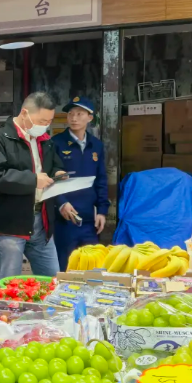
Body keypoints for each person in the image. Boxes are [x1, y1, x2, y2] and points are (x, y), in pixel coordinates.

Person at [0, 92, 66, 281]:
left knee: (52, 280)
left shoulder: (44, 140)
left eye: (49, 121)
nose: (45, 126)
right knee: (9, 283)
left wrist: (58, 172)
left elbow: (54, 165)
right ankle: (8, 312)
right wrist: (33, 180)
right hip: (10, 224)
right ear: (25, 113)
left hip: (41, 222)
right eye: (42, 121)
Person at [51, 97, 109, 271]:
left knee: (91, 267)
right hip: (65, 217)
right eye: (70, 114)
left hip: (89, 219)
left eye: (79, 114)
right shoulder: (55, 143)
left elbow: (101, 179)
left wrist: (102, 211)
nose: (74, 118)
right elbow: (50, 178)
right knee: (65, 267)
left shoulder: (96, 145)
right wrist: (61, 203)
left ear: (90, 117)